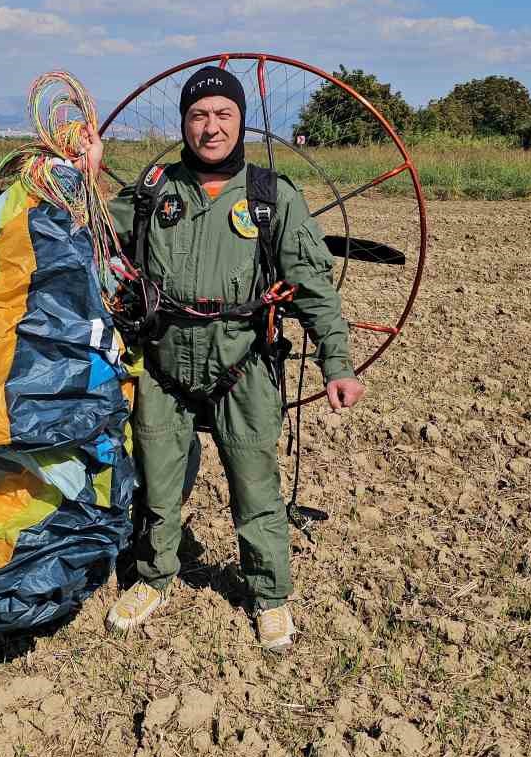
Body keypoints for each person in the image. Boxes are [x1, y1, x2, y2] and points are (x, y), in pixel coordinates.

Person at [76, 66, 365, 652]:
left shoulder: (270, 197)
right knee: (157, 482)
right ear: (185, 122)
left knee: (255, 485)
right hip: (162, 361)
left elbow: (311, 282)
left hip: (244, 362)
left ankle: (269, 596)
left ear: (241, 122)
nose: (211, 128)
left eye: (223, 115)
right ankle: (154, 577)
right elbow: (97, 234)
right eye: (199, 115)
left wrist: (337, 361)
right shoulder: (156, 188)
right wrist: (86, 175)